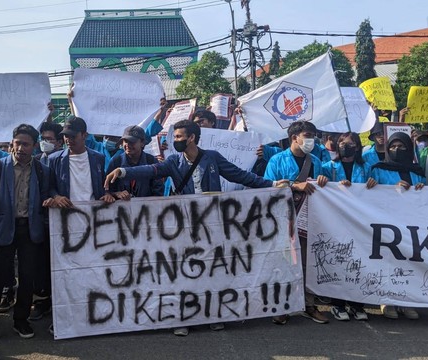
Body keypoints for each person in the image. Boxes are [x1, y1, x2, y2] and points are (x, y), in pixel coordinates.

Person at [105, 120, 287, 336]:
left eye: (179, 137)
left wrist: (272, 185)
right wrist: (124, 172)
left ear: (191, 138)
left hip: (212, 225)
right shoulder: (173, 161)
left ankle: (214, 315)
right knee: (183, 271)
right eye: (175, 137)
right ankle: (182, 317)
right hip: (184, 226)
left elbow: (240, 176)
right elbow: (152, 169)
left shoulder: (212, 157)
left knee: (213, 269)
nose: (175, 140)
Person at [264, 120, 329, 325]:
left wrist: (323, 182)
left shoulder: (316, 161)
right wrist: (294, 185)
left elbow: (325, 189)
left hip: (310, 218)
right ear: (295, 137)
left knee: (308, 261)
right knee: (283, 262)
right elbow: (268, 187)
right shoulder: (277, 160)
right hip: (283, 217)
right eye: (308, 135)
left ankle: (308, 304)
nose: (312, 139)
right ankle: (283, 304)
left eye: (313, 135)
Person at [0, 124, 49, 339]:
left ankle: (21, 320)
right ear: (12, 143)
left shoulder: (42, 170)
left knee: (27, 277)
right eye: (17, 143)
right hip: (3, 229)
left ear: (34, 146)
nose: (21, 148)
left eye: (26, 144)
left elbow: (45, 196)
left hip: (29, 231)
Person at [367, 132, 424, 320]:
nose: (396, 150)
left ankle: (406, 301)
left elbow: (427, 197)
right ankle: (387, 300)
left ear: (409, 149)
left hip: (411, 223)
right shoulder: (378, 169)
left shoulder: (418, 171)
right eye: (392, 147)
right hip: (387, 223)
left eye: (402, 146)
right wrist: (390, 189)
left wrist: (421, 189)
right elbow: (372, 194)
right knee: (388, 261)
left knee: (409, 262)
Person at [320, 132, 371, 321]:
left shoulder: (366, 168)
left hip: (360, 222)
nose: (345, 146)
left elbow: (375, 190)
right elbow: (321, 189)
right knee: (338, 260)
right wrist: (328, 184)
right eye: (342, 142)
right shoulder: (327, 167)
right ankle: (337, 303)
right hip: (336, 221)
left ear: (357, 147)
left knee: (360, 262)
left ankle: (357, 304)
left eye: (350, 143)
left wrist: (372, 184)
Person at [29, 121, 64, 321]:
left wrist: (56, 196)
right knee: (40, 266)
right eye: (43, 139)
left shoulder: (64, 161)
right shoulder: (34, 161)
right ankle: (42, 301)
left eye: (49, 139)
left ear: (60, 142)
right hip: (39, 223)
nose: (45, 142)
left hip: (61, 222)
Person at [45, 116, 116, 206]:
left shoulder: (98, 158)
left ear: (84, 135)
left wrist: (107, 194)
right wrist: (56, 197)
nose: (68, 140)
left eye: (73, 136)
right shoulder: (54, 159)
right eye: (66, 136)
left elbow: (103, 185)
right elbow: (50, 186)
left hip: (93, 213)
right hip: (66, 213)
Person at [106, 125, 165, 199]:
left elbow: (158, 193)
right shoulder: (116, 162)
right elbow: (107, 190)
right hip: (121, 209)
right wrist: (116, 194)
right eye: (125, 141)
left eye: (131, 142)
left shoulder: (151, 162)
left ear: (142, 143)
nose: (127, 145)